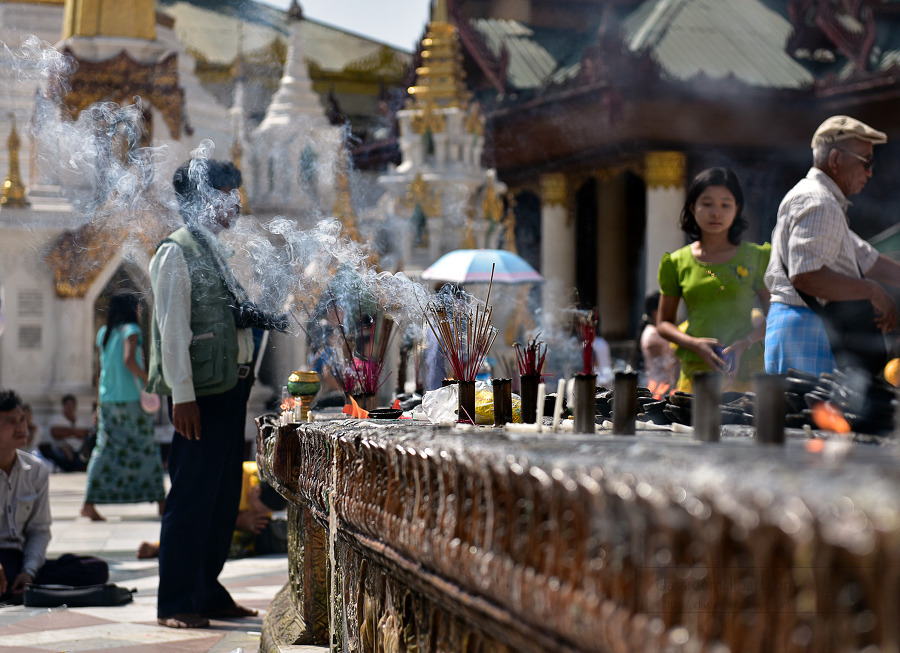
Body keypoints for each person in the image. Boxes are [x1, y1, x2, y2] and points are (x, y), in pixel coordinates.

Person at [147, 157, 287, 629]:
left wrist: (254, 316)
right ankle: (176, 600)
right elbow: (171, 330)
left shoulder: (216, 251)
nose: (236, 203)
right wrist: (181, 396)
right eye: (227, 192)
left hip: (230, 388)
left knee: (224, 496)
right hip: (200, 396)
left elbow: (221, 315)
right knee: (192, 496)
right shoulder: (176, 251)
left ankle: (207, 589)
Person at [765, 115, 900, 377]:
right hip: (803, 325)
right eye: (866, 161)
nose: (870, 171)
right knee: (805, 417)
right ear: (836, 159)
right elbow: (806, 276)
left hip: (798, 325)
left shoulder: (820, 200)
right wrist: (873, 291)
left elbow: (866, 258)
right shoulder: (820, 202)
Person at [657, 167, 770, 393]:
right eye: (707, 204)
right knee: (694, 428)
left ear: (737, 209)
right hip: (696, 375)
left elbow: (775, 314)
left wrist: (744, 343)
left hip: (746, 370)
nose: (716, 213)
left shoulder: (756, 257)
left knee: (744, 428)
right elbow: (663, 323)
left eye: (725, 204)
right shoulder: (676, 262)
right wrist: (694, 344)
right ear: (692, 207)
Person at [0, 389, 108, 604]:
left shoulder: (36, 470)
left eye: (22, 419)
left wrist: (29, 571)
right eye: (11, 422)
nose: (21, 428)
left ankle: (20, 583)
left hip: (20, 559)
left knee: (95, 569)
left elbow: (39, 530)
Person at [80, 291, 165, 522]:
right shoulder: (132, 331)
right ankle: (160, 501)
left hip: (108, 401)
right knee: (146, 447)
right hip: (130, 402)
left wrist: (98, 405)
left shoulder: (104, 334)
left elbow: (101, 372)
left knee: (105, 450)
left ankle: (88, 502)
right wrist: (147, 377)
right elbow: (129, 360)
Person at [46, 394, 90, 472]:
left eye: (72, 405)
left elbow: (84, 434)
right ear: (63, 406)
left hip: (80, 450)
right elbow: (56, 433)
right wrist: (75, 431)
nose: (70, 407)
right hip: (63, 449)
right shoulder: (57, 419)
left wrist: (67, 431)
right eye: (67, 405)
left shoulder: (81, 421)